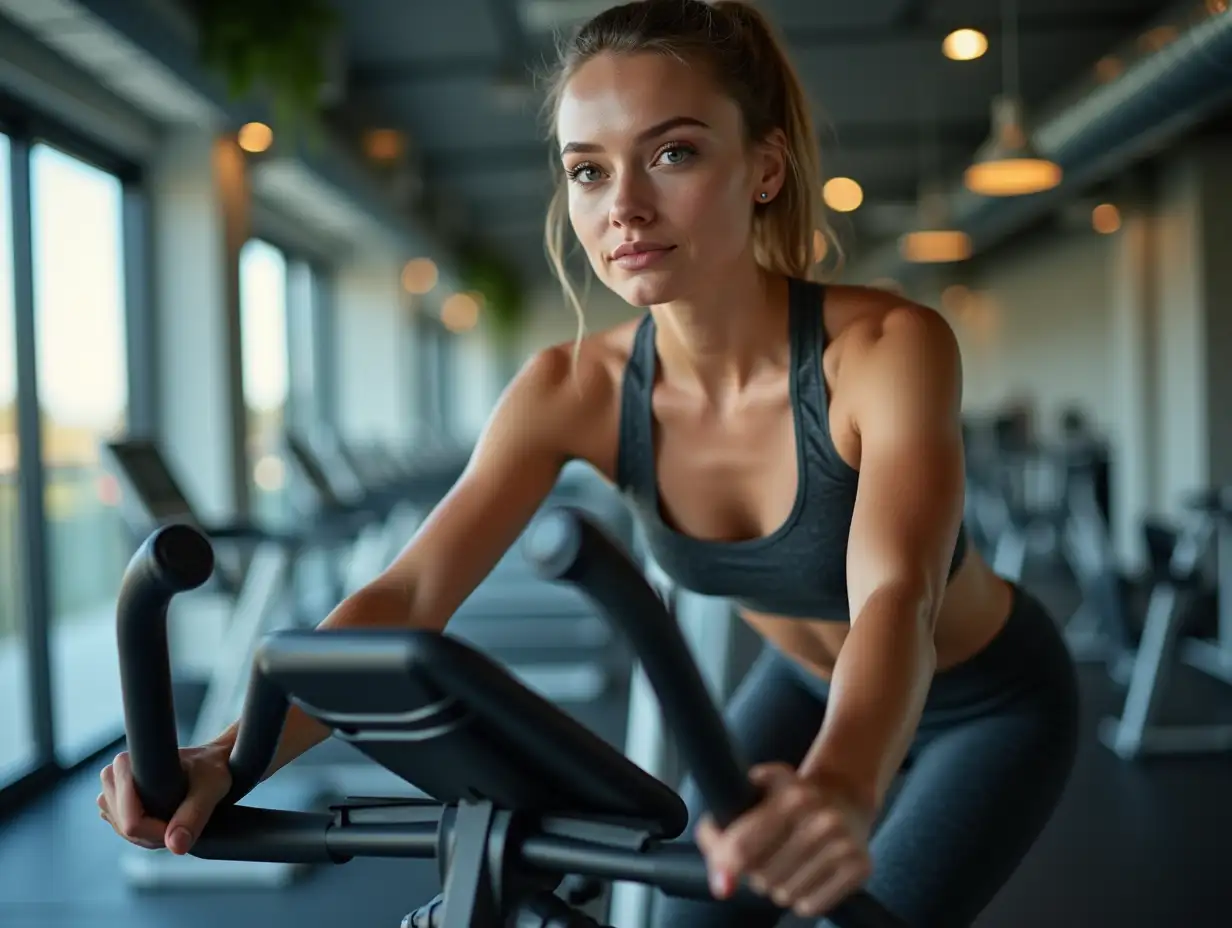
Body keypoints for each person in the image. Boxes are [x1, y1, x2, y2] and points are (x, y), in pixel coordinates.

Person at [99, 1, 1080, 924]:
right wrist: (233, 757)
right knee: (678, 914)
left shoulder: (885, 349)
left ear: (765, 167)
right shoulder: (569, 388)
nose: (626, 205)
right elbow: (407, 595)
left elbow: (892, 598)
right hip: (799, 685)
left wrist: (838, 786)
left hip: (982, 699)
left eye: (673, 152)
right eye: (588, 170)